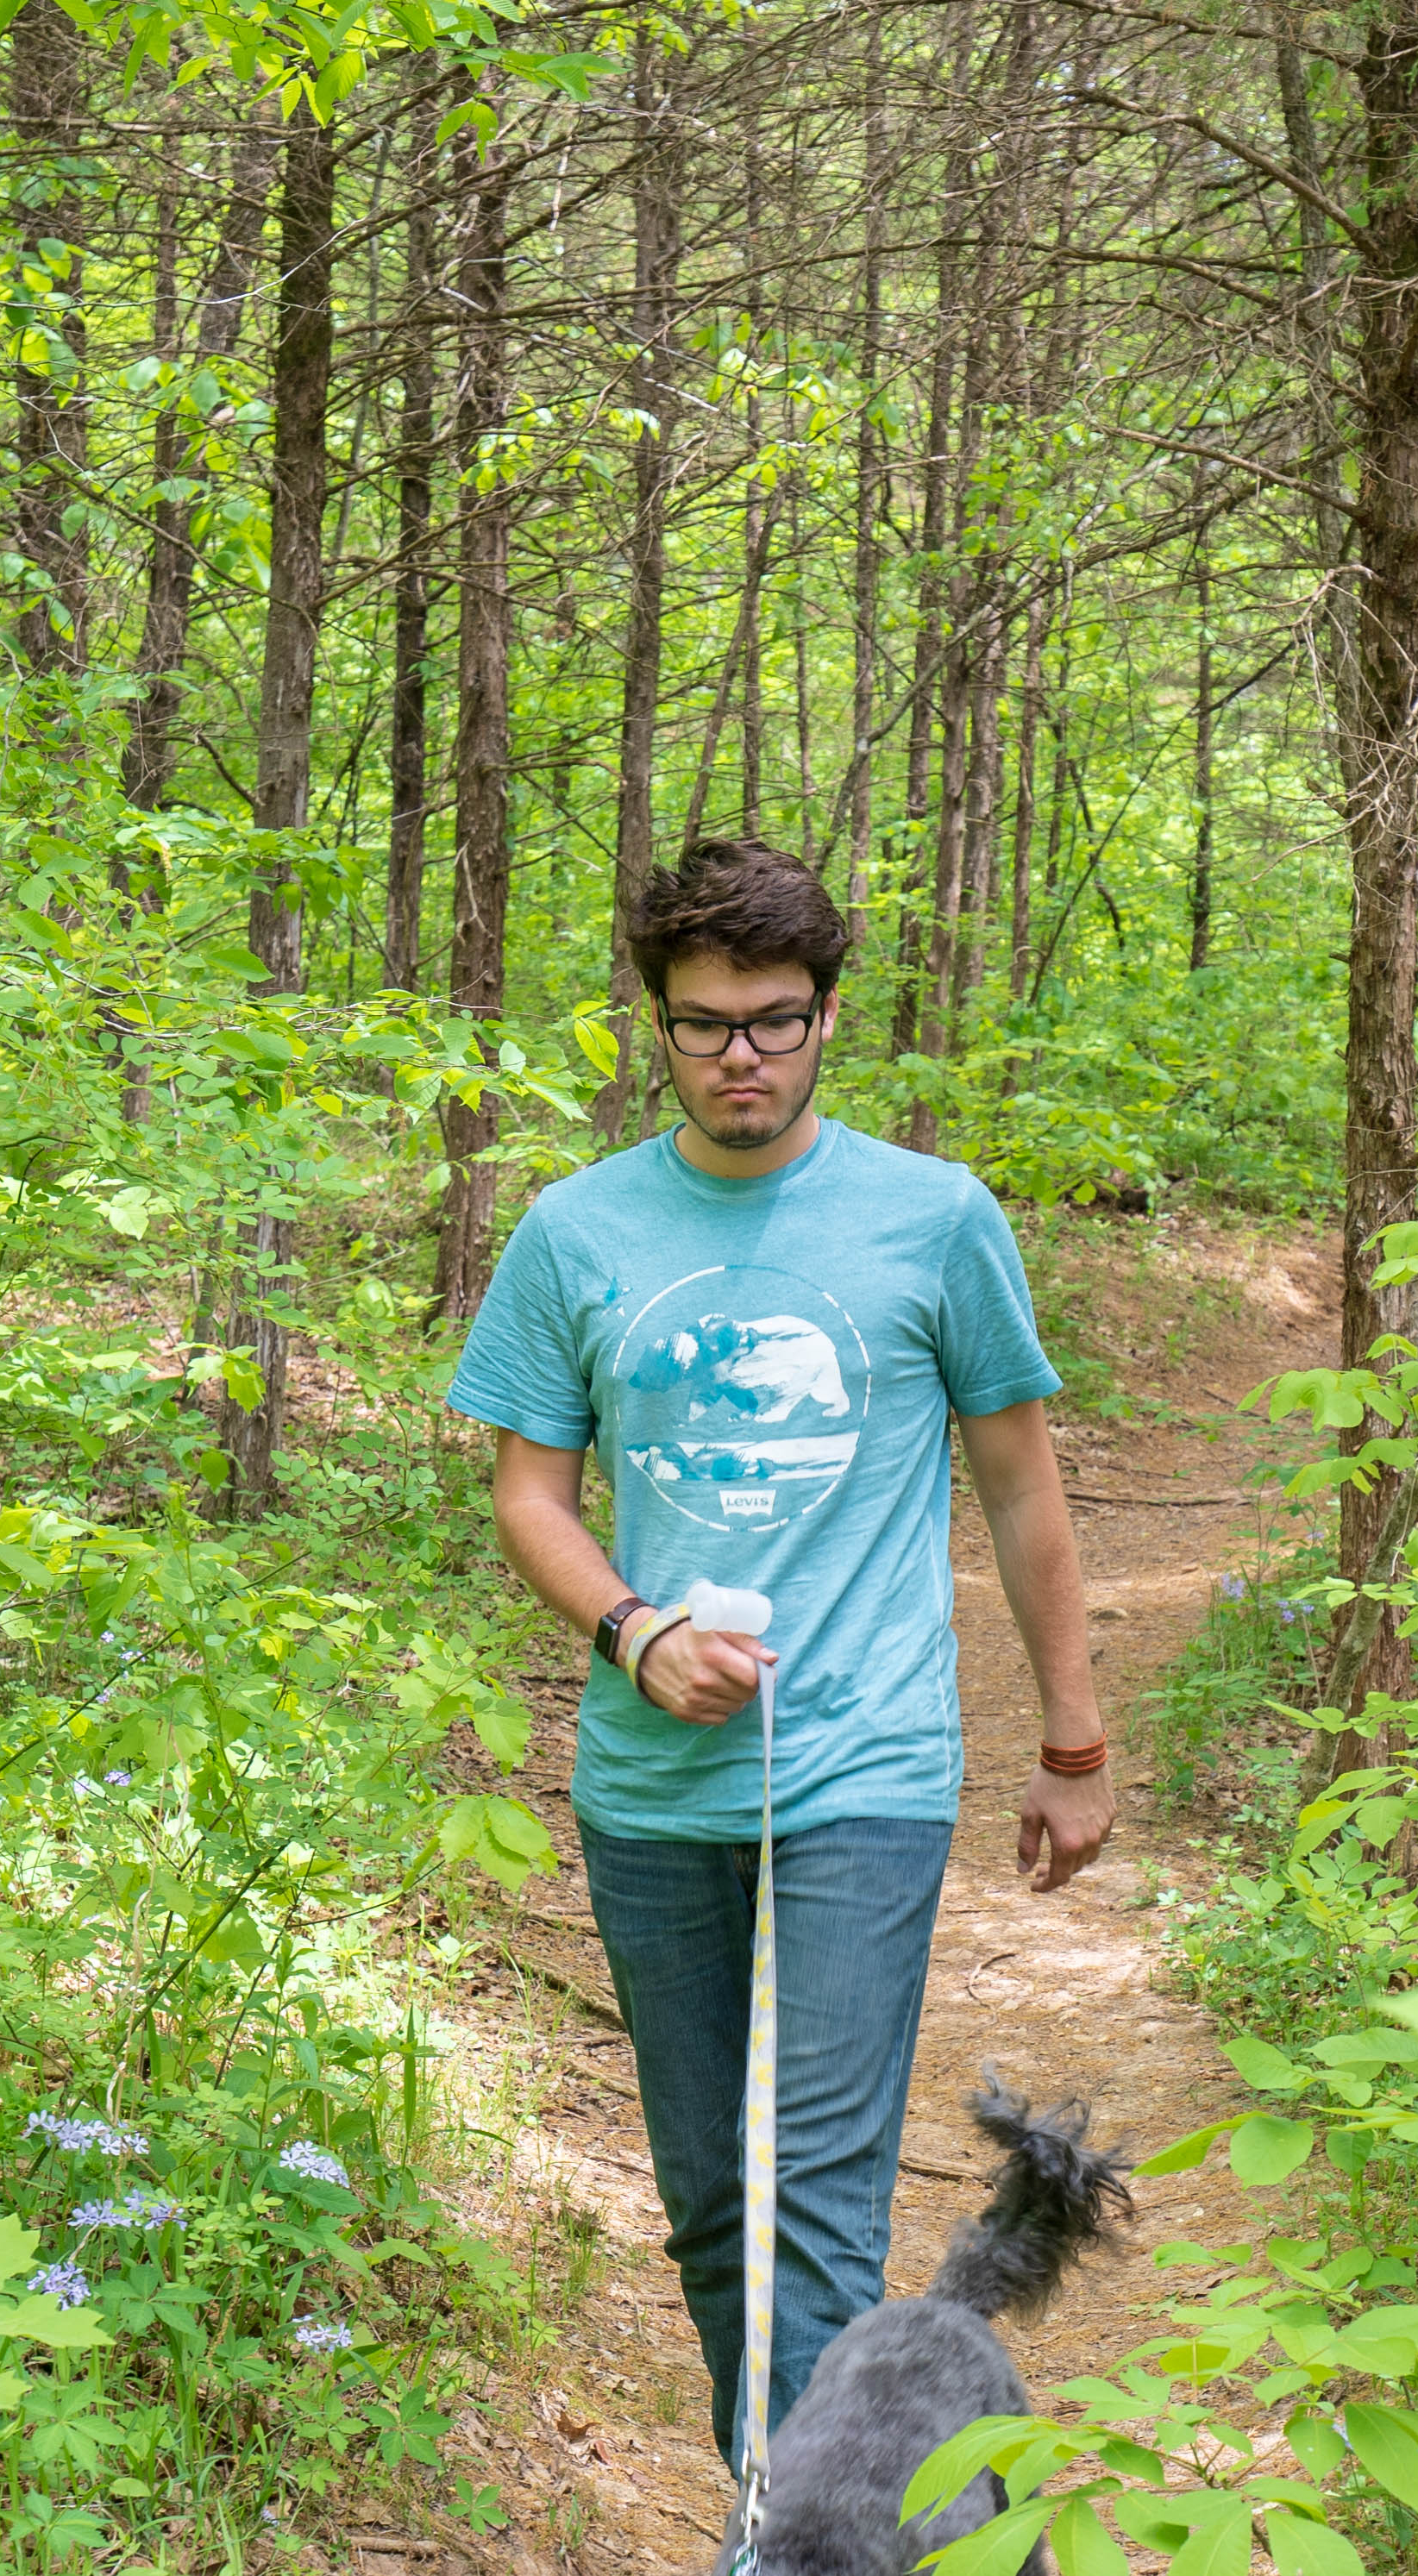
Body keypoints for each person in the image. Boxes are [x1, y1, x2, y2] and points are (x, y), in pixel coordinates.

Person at [444, 838, 1117, 2469]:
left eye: (775, 1020)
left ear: (828, 1016)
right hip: (651, 1782)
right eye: (703, 1025)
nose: (741, 1055)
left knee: (816, 2203)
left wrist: (1074, 1743)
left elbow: (1024, 1488)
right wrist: (632, 1629)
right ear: (654, 1029)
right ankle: (795, 2519)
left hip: (866, 1768)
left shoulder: (933, 1220)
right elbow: (530, 1490)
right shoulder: (576, 1231)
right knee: (707, 2206)